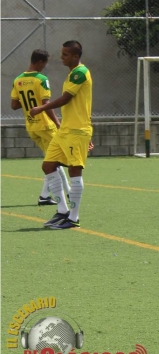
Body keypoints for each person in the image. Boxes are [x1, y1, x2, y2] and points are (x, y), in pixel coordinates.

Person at [29, 40, 93, 230]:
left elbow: (66, 99)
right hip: (65, 130)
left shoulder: (81, 72)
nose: (61, 57)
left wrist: (41, 108)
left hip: (76, 131)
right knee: (48, 165)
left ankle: (73, 218)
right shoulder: (72, 73)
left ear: (75, 56)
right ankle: (62, 210)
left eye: (65, 54)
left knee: (74, 171)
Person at [10, 49, 72, 205]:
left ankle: (52, 194)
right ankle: (53, 195)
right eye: (45, 63)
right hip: (45, 125)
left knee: (52, 159)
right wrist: (58, 123)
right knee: (56, 160)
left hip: (31, 126)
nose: (45, 66)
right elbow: (46, 104)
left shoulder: (18, 80)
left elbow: (14, 105)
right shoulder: (41, 79)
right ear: (39, 62)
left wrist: (28, 102)